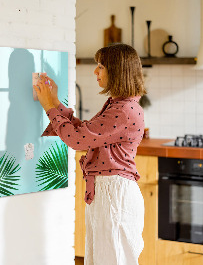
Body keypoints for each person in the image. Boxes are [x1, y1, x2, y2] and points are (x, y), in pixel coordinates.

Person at [33, 43, 146, 265]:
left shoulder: (123, 110)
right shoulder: (119, 105)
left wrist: (49, 107)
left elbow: (77, 140)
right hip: (108, 192)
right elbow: (85, 132)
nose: (95, 71)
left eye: (101, 66)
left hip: (114, 194)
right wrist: (55, 102)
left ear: (117, 71)